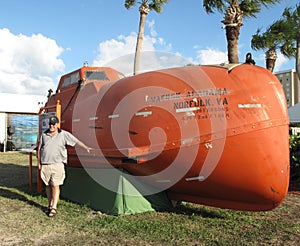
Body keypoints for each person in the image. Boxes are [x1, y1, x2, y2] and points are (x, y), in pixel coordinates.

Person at [38, 115, 92, 217]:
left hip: (57, 164)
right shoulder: (44, 135)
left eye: (54, 124)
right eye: (50, 124)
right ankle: (50, 205)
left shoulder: (63, 134)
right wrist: (39, 163)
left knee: (55, 185)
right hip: (45, 164)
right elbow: (40, 149)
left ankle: (54, 207)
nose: (52, 126)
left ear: (57, 124)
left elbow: (75, 141)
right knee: (48, 186)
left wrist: (86, 147)